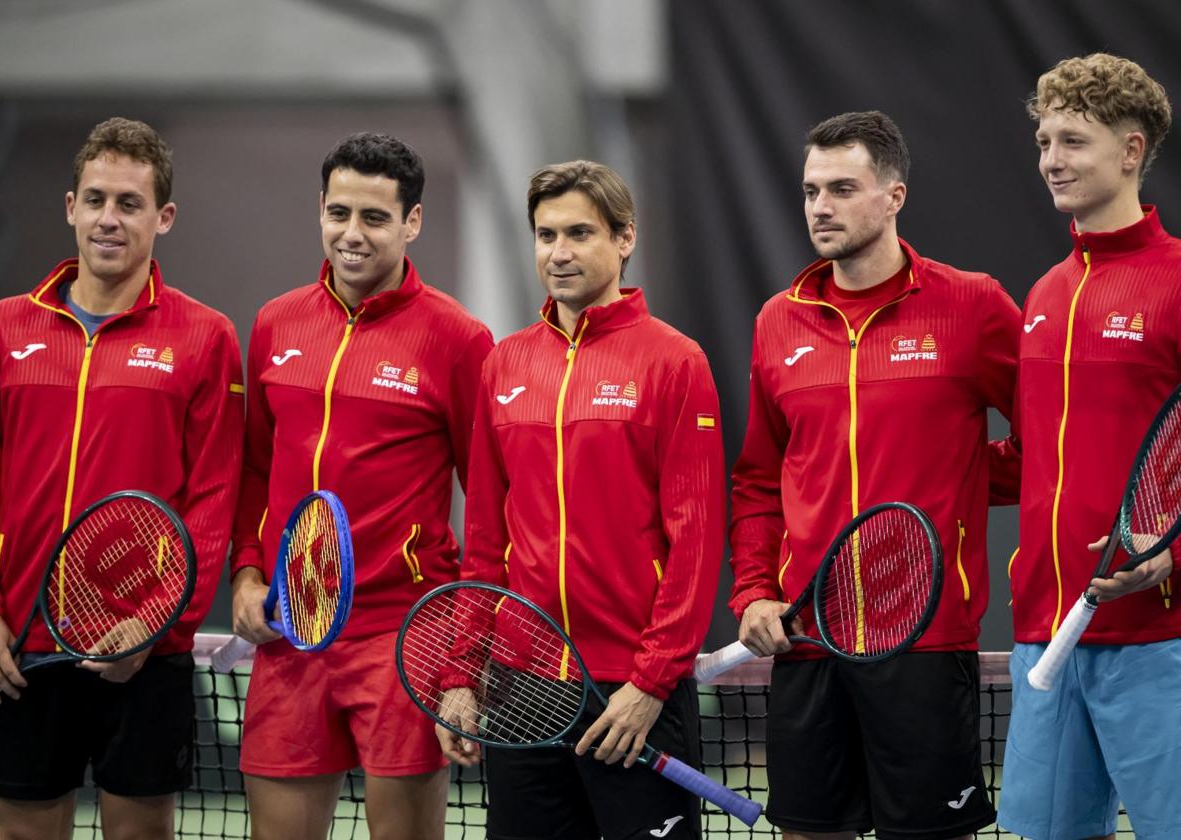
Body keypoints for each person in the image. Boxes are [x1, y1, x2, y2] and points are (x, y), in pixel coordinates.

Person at [730, 111, 1020, 840]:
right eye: (809, 190)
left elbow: (1048, 442)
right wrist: (755, 591)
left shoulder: (973, 305)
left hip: (924, 640)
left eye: (842, 188)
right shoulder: (777, 322)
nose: (819, 207)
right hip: (807, 639)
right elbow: (761, 480)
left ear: (893, 196)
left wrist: (960, 476)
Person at [435, 160, 724, 840]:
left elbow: (697, 540)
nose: (558, 253)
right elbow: (484, 541)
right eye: (545, 235)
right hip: (521, 685)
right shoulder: (504, 365)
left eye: (579, 233)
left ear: (624, 238)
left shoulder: (677, 363)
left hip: (630, 689)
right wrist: (461, 672)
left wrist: (651, 683)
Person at [0, 117, 244, 839]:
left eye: (129, 204)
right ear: (70, 206)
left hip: (144, 650)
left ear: (163, 217)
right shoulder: (2, 329)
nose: (109, 218)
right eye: (96, 199)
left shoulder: (206, 337)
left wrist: (157, 621)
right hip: (20, 646)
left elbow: (214, 500)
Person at [229, 132, 492, 840]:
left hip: (404, 637)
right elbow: (256, 470)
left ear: (412, 222)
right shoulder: (275, 323)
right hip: (291, 634)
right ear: (320, 209)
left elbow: (492, 507)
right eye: (339, 212)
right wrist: (248, 573)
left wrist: (463, 658)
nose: (353, 234)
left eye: (375, 218)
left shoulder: (460, 339)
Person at [997, 53, 1181, 840]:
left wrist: (1173, 553)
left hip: (1161, 640)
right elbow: (1033, 457)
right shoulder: (1043, 294)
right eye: (1043, 141)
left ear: (1131, 151)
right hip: (1046, 636)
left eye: (1073, 140)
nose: (1050, 161)